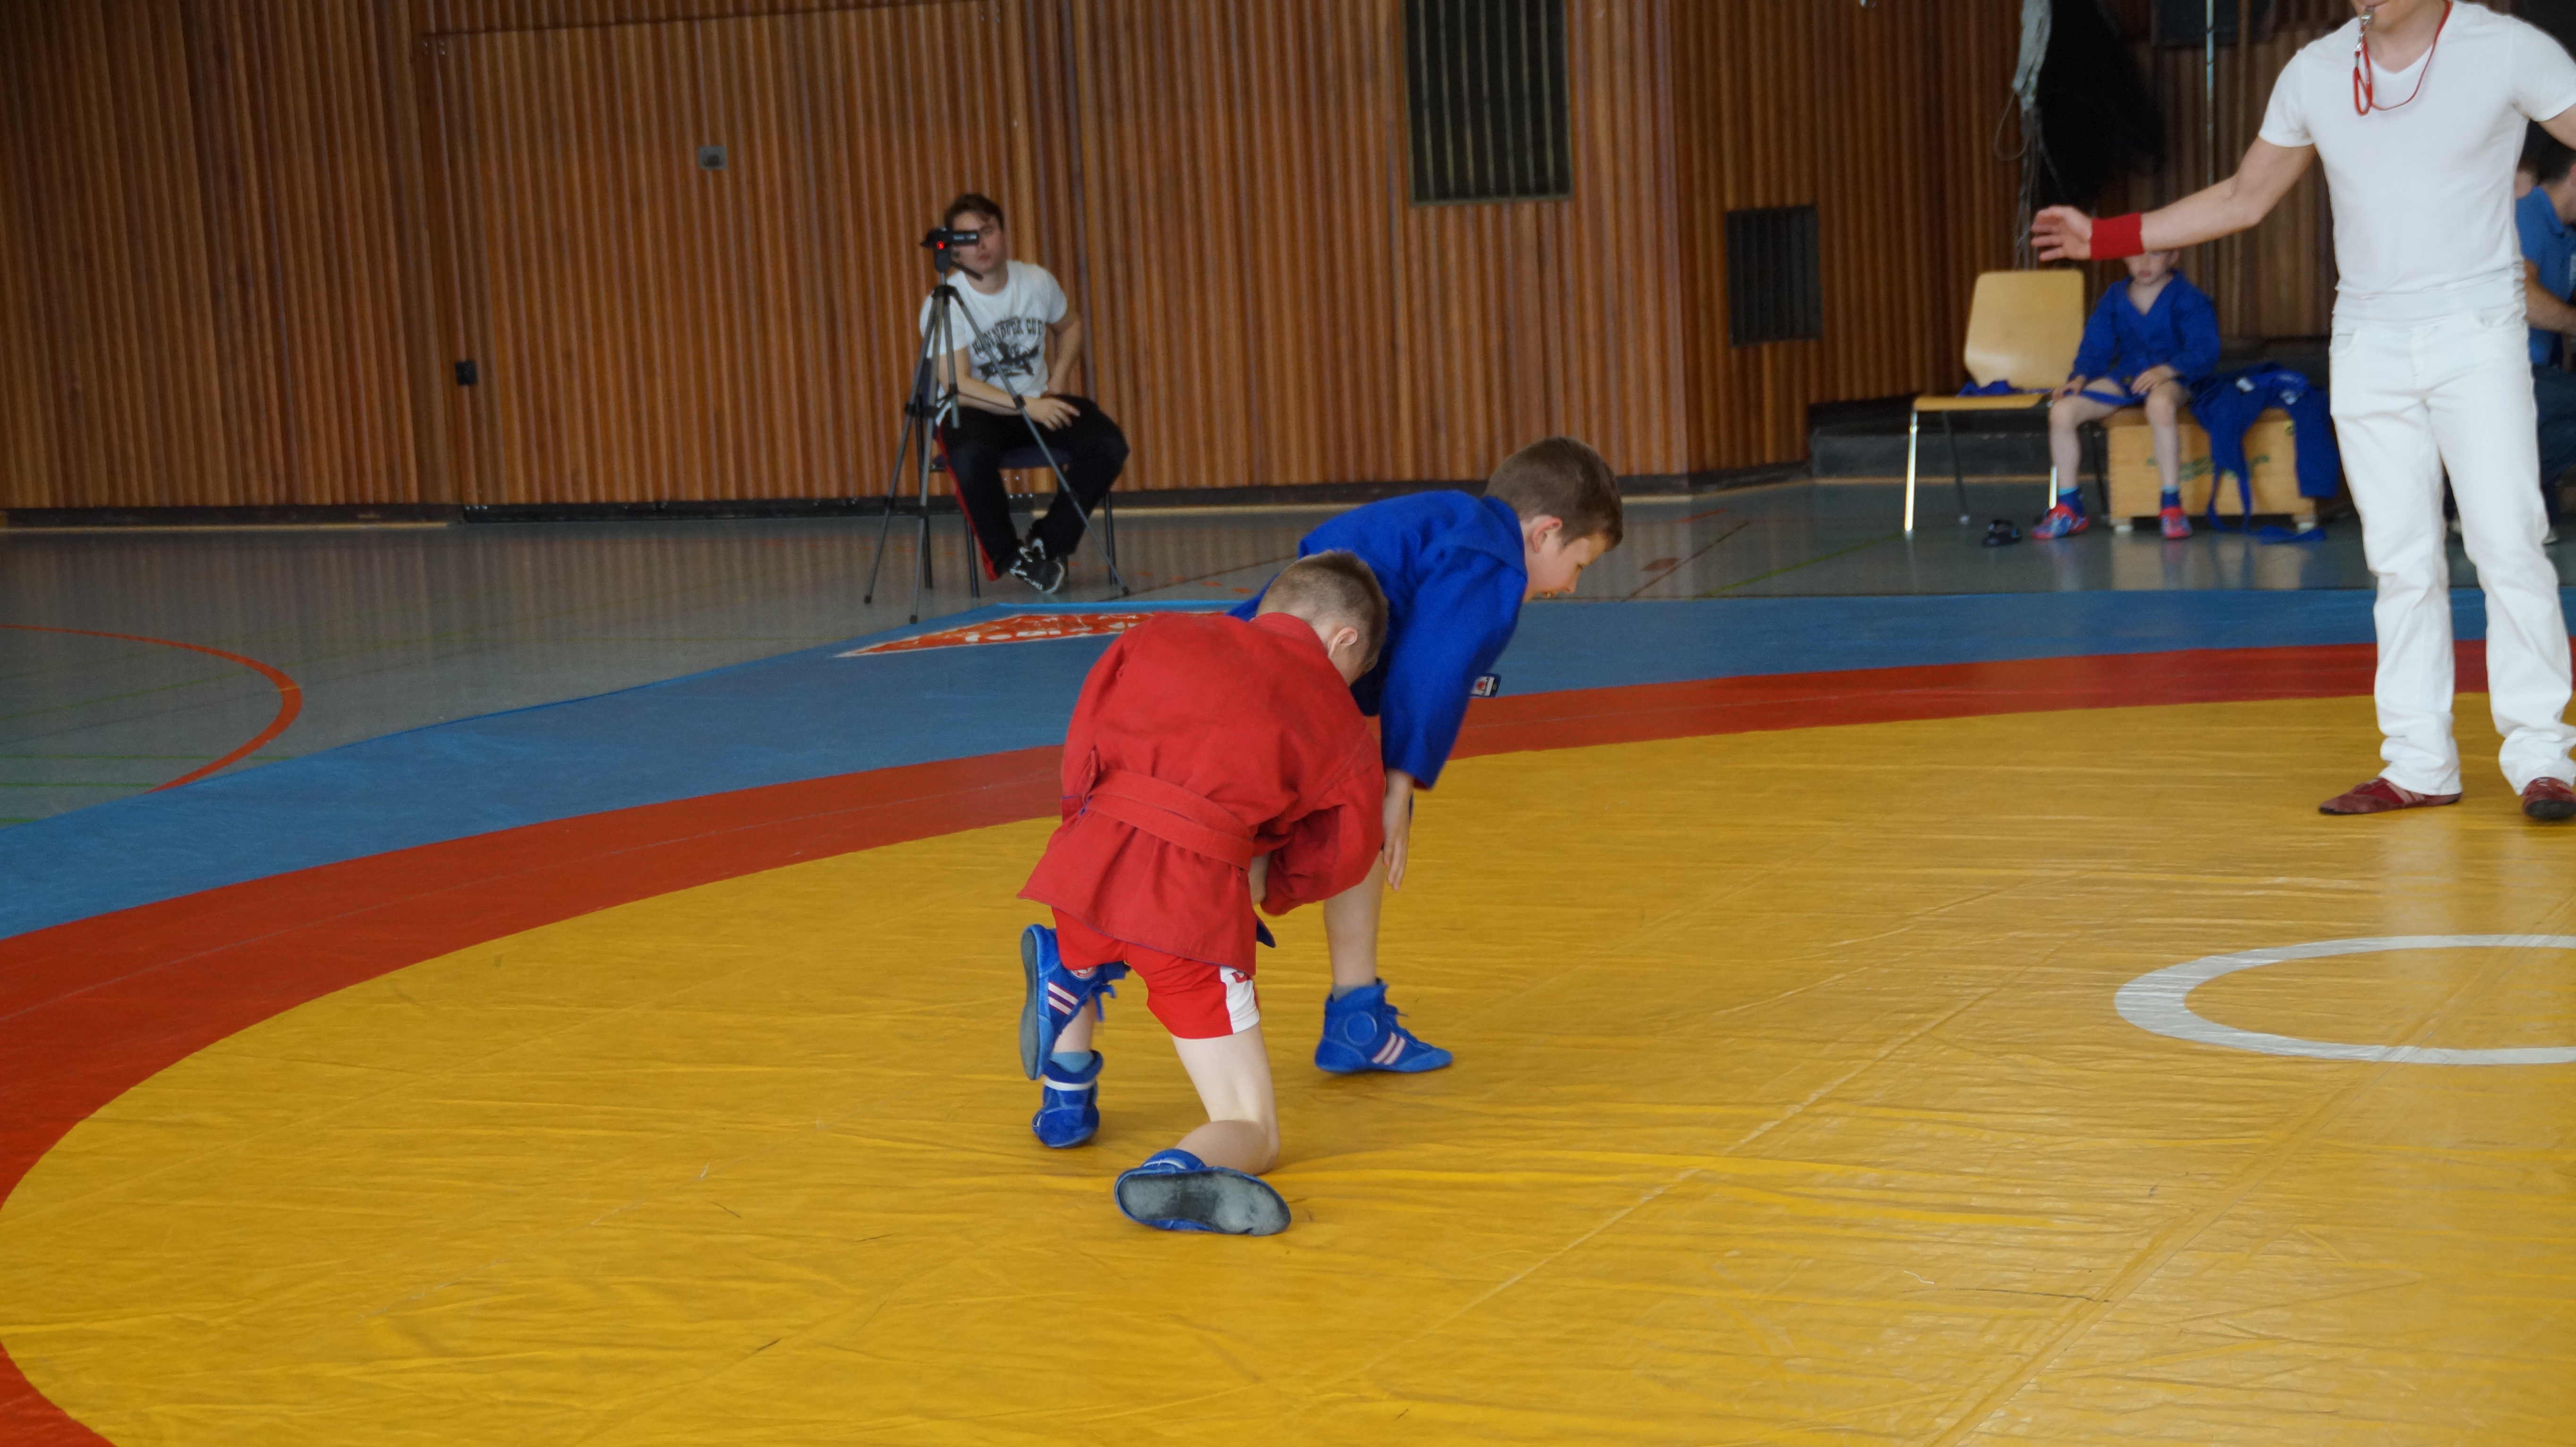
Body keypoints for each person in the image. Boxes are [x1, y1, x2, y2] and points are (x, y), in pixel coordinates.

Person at [2034, 0, 2576, 822]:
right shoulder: (2317, 70)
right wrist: (2109, 237)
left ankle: (2542, 757)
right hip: (2367, 339)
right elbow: (2244, 197)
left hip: (2477, 332)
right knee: (2400, 559)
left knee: (2507, 541)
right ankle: (2419, 762)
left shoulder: (2503, 48)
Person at [1015, 553, 1390, 1235]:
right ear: (1344, 640)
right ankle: (1174, 1170)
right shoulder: (1337, 719)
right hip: (1186, 910)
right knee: (1252, 1127)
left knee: (1090, 935)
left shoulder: (1161, 632)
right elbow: (1344, 855)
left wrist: (1080, 825)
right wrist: (1267, 887)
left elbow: (1085, 739)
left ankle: (1066, 1085)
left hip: (1079, 870)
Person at [1231, 437, 1625, 1073]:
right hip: (1276, 694)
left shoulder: (1449, 520)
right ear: (1545, 532)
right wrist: (1401, 783)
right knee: (1228, 862)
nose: (1571, 584)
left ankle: (1356, 1014)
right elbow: (1431, 668)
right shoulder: (1493, 559)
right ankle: (1087, 954)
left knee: (1323, 828)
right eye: (1578, 563)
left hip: (1252, 667)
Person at [920, 193, 1127, 594]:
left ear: (1003, 233)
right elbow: (960, 387)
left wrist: (1059, 377)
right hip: (977, 410)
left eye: (987, 232)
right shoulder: (944, 302)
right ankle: (1011, 557)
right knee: (968, 457)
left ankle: (1048, 541)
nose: (980, 245)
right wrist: (1026, 406)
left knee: (1107, 443)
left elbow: (1071, 325)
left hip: (1037, 403)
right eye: (967, 238)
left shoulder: (1035, 281)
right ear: (953, 248)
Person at [2040, 248, 2222, 541]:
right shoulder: (2114, 296)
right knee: (2062, 411)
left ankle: (2171, 505)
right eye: (2136, 255)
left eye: (2156, 254)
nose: (2144, 264)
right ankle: (2069, 506)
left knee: (2160, 405)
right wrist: (2081, 377)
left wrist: (2167, 370)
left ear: (2174, 257)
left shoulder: (2189, 297)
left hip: (2176, 377)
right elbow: (2095, 346)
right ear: (2124, 257)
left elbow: (2205, 350)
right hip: (2127, 377)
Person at [2515, 127, 2576, 542]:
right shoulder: (2528, 214)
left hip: (2541, 376)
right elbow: (2522, 296)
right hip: (2505, 373)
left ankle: (2493, 501)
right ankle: (2482, 500)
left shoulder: (2566, 236)